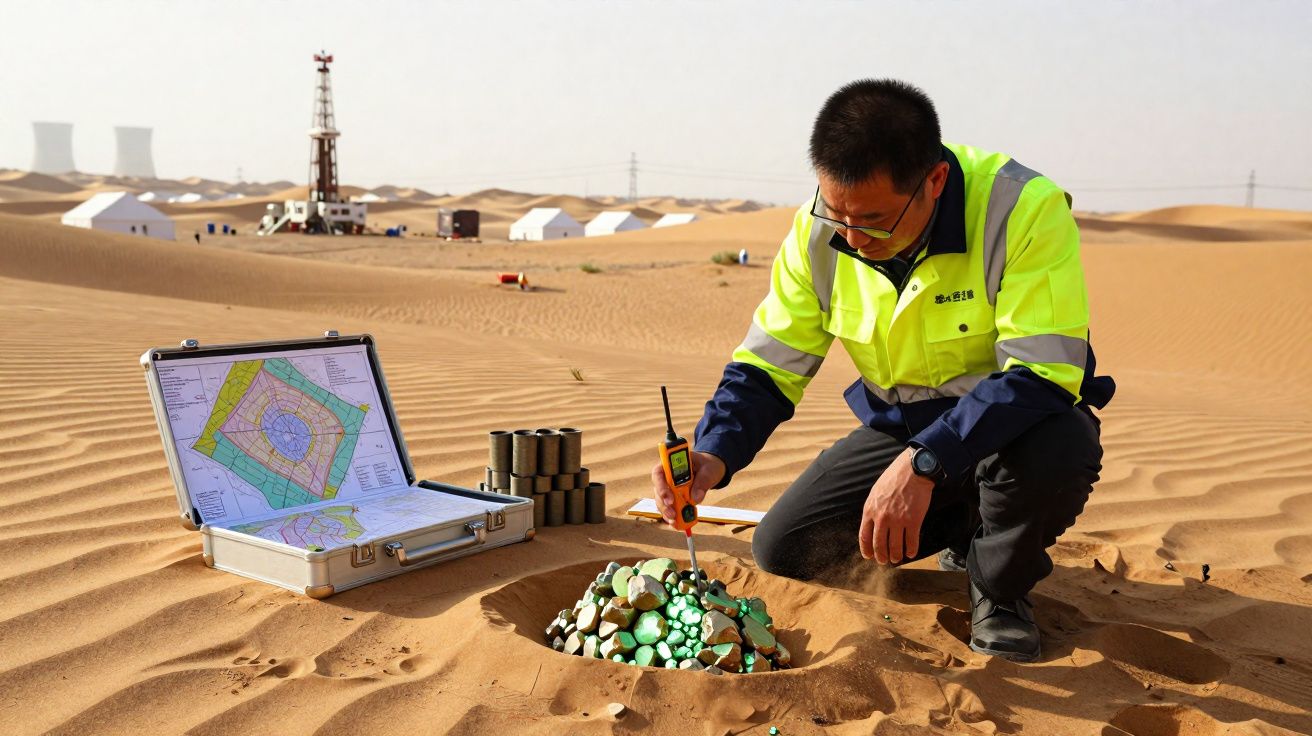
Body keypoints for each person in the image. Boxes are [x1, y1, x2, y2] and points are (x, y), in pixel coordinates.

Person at [650, 79, 1113, 662]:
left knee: (1060, 446)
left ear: (935, 181)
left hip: (1021, 420)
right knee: (787, 549)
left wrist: (926, 463)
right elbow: (770, 362)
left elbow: (1043, 372)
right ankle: (968, 522)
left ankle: (999, 591)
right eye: (835, 213)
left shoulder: (1023, 210)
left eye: (872, 221)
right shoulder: (823, 229)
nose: (850, 237)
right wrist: (715, 450)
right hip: (904, 427)